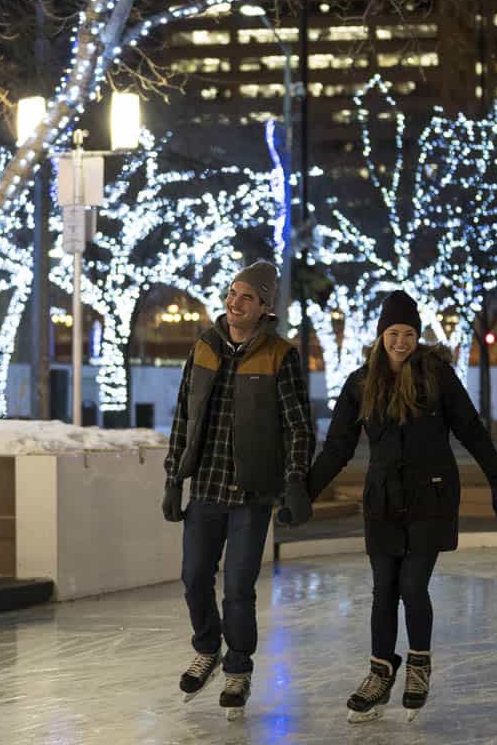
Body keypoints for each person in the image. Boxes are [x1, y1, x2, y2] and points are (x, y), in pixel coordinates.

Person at [306, 290, 497, 724]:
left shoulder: (436, 377)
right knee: (384, 590)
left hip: (431, 496)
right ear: (381, 335)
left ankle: (418, 665)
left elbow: (470, 428)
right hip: (383, 499)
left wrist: (496, 476)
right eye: (394, 333)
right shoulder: (361, 383)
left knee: (413, 586)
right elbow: (338, 447)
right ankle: (380, 672)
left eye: (410, 334)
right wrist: (305, 491)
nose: (402, 341)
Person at [162, 261, 315, 719]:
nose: (234, 302)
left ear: (265, 307)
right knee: (193, 579)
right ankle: (207, 648)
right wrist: (174, 478)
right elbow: (183, 419)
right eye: (232, 293)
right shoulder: (204, 348)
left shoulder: (279, 356)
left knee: (238, 590)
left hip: (252, 493)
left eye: (247, 296)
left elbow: (298, 427)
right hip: (206, 488)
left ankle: (238, 666)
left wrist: (294, 483)